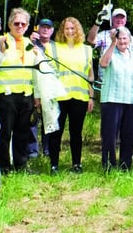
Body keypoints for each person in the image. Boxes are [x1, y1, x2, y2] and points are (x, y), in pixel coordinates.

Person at [0, 8, 38, 174]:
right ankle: (4, 166)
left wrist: (37, 96)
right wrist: (1, 52)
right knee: (5, 132)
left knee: (22, 131)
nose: (19, 26)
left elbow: (37, 71)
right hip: (7, 94)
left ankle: (21, 165)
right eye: (16, 23)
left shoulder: (30, 44)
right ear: (10, 24)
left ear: (27, 26)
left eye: (23, 23)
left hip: (26, 94)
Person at [46, 17, 94, 174]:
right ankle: (54, 164)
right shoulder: (53, 48)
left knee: (76, 133)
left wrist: (91, 97)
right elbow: (47, 74)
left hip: (79, 96)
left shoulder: (86, 49)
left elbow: (90, 76)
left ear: (78, 30)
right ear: (62, 30)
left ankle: (76, 164)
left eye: (73, 28)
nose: (70, 31)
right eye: (67, 28)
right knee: (56, 132)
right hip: (59, 96)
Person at [99, 26, 133, 172]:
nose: (122, 41)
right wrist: (112, 43)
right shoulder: (111, 52)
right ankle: (109, 165)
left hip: (132, 100)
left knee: (128, 134)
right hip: (112, 99)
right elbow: (103, 64)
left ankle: (125, 165)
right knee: (110, 135)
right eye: (119, 38)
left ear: (130, 40)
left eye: (125, 38)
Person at [87, 8, 133, 81]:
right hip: (106, 81)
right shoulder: (104, 35)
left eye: (122, 18)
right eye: (116, 17)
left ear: (125, 21)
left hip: (128, 81)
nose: (119, 20)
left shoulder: (132, 39)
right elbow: (90, 40)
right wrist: (98, 22)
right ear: (112, 20)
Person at [29, 18, 55, 156]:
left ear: (52, 30)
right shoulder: (30, 43)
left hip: (50, 86)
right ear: (37, 29)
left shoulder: (56, 46)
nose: (45, 29)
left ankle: (47, 149)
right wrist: (30, 41)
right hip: (33, 85)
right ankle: (32, 150)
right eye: (42, 27)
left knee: (49, 118)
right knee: (33, 120)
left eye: (48, 27)